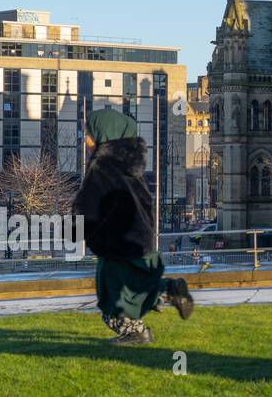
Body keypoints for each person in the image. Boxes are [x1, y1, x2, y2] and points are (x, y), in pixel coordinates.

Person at [73, 109, 195, 345]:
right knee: (133, 284)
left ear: (104, 135)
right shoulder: (129, 166)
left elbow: (87, 205)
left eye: (88, 134)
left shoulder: (102, 167)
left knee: (113, 298)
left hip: (117, 243)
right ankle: (169, 290)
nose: (85, 139)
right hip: (137, 239)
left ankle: (137, 332)